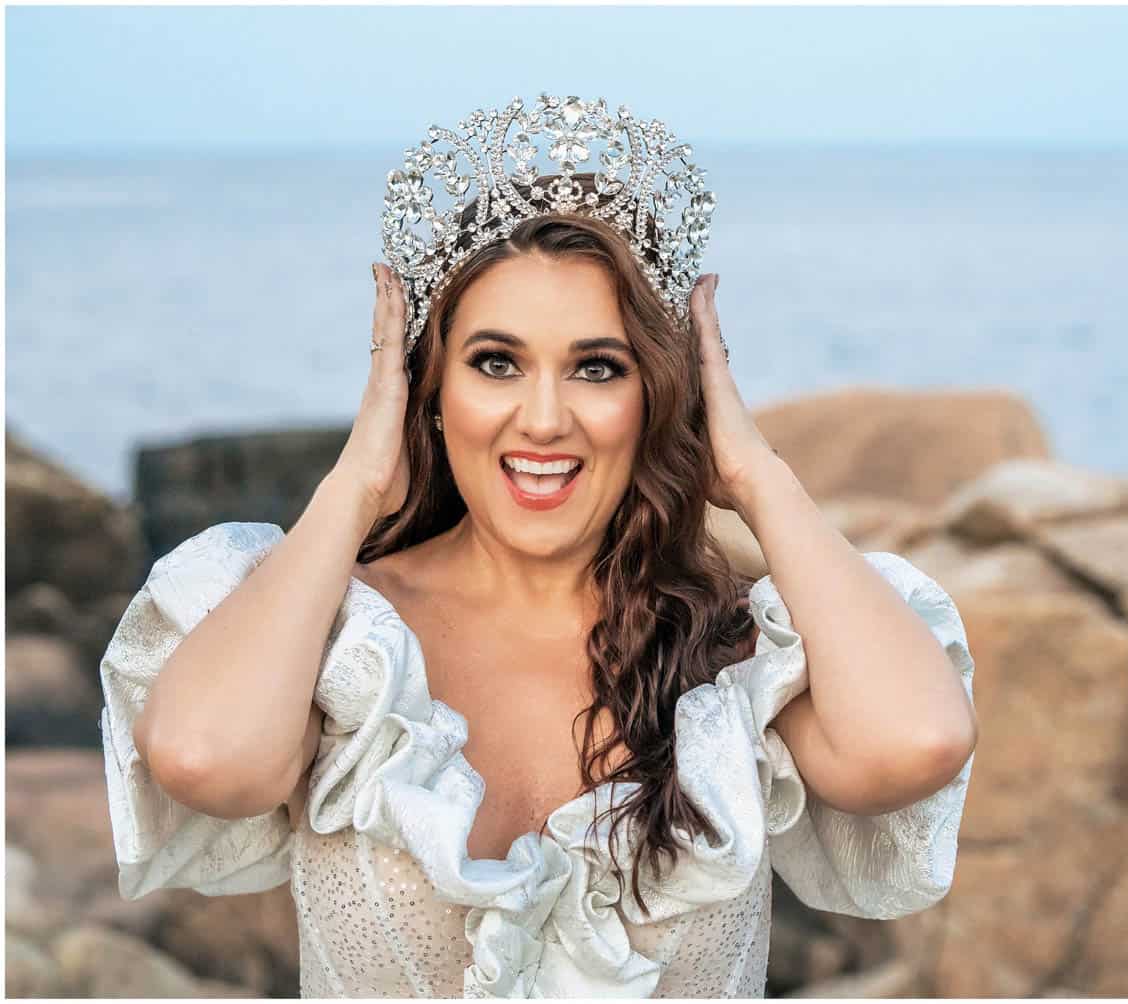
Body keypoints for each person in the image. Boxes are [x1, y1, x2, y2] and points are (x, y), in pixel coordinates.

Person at [98, 93, 978, 998]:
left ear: (658, 396)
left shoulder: (730, 646)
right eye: (496, 363)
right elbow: (205, 759)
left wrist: (757, 476)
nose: (546, 419)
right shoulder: (339, 641)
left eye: (598, 368)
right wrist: (356, 485)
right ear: (430, 391)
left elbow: (915, 741)